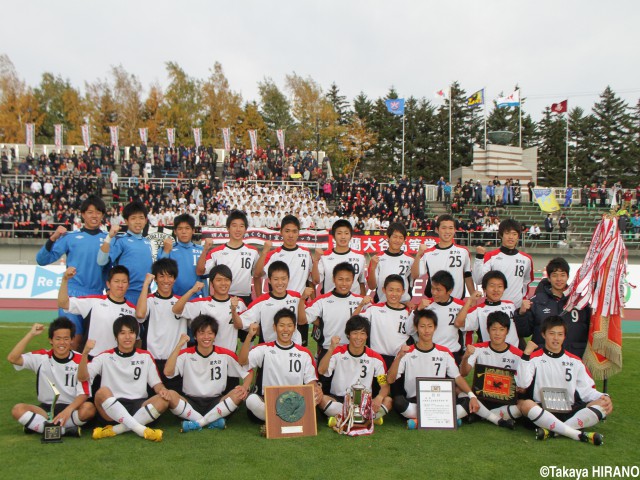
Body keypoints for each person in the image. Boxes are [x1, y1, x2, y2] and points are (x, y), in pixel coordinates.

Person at [516, 316, 613, 445]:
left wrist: (603, 396)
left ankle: (553, 431)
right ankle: (575, 433)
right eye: (552, 334)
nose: (556, 338)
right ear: (543, 335)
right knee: (526, 404)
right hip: (542, 410)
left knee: (603, 404)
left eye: (560, 334)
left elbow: (587, 391)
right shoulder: (534, 358)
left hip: (569, 410)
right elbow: (522, 383)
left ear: (564, 336)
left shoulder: (575, 361)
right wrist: (526, 354)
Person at [78, 315, 173, 442]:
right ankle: (141, 430)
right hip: (111, 409)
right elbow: (82, 377)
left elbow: (157, 384)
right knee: (102, 392)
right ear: (116, 336)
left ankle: (115, 430)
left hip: (139, 406)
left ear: (136, 335)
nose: (127, 337)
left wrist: (163, 390)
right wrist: (85, 353)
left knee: (164, 399)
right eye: (123, 333)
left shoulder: (145, 356)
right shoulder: (104, 356)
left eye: (131, 333)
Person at [35, 195, 108, 349]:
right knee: (71, 343)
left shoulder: (109, 240)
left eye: (98, 212)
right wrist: (53, 237)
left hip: (97, 297)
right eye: (90, 212)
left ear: (102, 215)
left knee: (92, 346)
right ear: (82, 214)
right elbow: (42, 260)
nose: (94, 216)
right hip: (72, 295)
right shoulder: (71, 238)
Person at [387, 310, 480, 429]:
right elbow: (390, 379)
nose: (426, 330)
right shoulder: (406, 352)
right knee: (399, 402)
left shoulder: (444, 352)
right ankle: (447, 419)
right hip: (416, 402)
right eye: (422, 326)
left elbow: (457, 377)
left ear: (435, 328)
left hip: (440, 402)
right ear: (416, 328)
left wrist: (472, 396)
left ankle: (418, 421)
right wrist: (399, 357)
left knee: (467, 401)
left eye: (430, 326)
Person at [8, 319, 96, 436]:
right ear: (51, 340)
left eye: (66, 339)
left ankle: (39, 426)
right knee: (17, 409)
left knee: (89, 409)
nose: (62, 343)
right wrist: (31, 334)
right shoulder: (41, 357)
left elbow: (84, 393)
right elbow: (13, 358)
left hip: (71, 408)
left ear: (72, 340)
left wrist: (68, 410)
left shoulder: (81, 360)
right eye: (58, 339)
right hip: (45, 409)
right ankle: (65, 430)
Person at [164, 314, 250, 432]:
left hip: (216, 401)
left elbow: (248, 372)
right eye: (202, 333)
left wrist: (245, 387)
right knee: (171, 395)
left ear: (215, 336)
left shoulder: (225, 354)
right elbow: (168, 372)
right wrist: (179, 345)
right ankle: (211, 421)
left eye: (210, 333)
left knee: (238, 393)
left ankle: (198, 423)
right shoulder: (185, 354)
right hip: (190, 401)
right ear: (195, 335)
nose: (206, 337)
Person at [239, 309, 322, 423]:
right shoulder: (264, 349)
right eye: (281, 325)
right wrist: (249, 336)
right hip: (268, 401)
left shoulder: (304, 354)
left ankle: (274, 420)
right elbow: (243, 361)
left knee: (315, 397)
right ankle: (285, 419)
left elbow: (311, 382)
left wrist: (317, 391)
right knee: (251, 400)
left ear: (294, 328)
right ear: (274, 327)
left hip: (293, 402)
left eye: (289, 326)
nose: (285, 330)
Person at [318, 315, 391, 426]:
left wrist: (379, 397)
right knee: (322, 399)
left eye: (362, 333)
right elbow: (321, 370)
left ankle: (341, 418)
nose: (358, 337)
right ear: (348, 334)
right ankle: (368, 418)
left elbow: (384, 385)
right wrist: (331, 349)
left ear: (367, 336)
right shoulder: (338, 352)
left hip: (363, 401)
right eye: (355, 333)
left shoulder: (375, 358)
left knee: (388, 401)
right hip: (340, 399)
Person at [299, 262, 364, 381]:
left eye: (348, 280)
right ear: (333, 279)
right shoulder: (322, 301)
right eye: (340, 279)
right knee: (324, 392)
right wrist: (302, 299)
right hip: (329, 351)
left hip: (353, 352)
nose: (344, 283)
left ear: (353, 280)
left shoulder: (361, 301)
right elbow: (302, 320)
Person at [254, 214, 313, 345]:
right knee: (270, 348)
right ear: (281, 232)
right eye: (287, 231)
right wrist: (264, 252)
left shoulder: (306, 253)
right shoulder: (273, 254)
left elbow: (312, 281)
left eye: (294, 231)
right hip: (275, 307)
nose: (290, 235)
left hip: (298, 308)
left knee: (298, 350)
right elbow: (257, 274)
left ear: (299, 233)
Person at [515, 258, 590, 358]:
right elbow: (524, 332)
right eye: (555, 275)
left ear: (568, 277)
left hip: (573, 358)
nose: (559, 279)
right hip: (544, 359)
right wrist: (521, 314)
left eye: (562, 275)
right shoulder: (536, 301)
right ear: (549, 278)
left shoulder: (579, 301)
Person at [459, 311, 522, 426]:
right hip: (482, 398)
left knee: (523, 406)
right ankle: (495, 417)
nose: (497, 333)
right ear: (488, 330)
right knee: (457, 387)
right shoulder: (478, 348)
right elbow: (464, 373)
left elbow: (523, 384)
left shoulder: (518, 354)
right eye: (494, 329)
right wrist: (465, 357)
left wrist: (519, 387)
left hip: (505, 400)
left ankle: (479, 414)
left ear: (507, 331)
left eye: (501, 329)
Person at [58, 265, 136, 358]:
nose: (120, 285)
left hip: (118, 362)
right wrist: (65, 280)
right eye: (116, 281)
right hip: (93, 358)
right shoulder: (93, 302)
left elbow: (136, 340)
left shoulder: (132, 310)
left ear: (128, 285)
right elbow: (64, 303)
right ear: (108, 284)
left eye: (124, 282)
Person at [135, 259, 188, 391]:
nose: (166, 280)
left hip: (176, 359)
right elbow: (140, 315)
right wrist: (146, 284)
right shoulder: (149, 300)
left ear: (175, 279)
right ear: (156, 279)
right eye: (162, 276)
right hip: (154, 358)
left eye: (170, 276)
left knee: (175, 398)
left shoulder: (181, 303)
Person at [172, 265, 246, 352]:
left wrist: (233, 310)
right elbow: (176, 309)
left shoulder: (239, 303)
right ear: (211, 283)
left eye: (226, 280)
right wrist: (192, 291)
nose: (223, 283)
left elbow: (243, 326)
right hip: (205, 356)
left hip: (229, 356)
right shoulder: (202, 304)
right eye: (219, 280)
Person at [197, 210, 258, 307]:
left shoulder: (253, 251)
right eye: (234, 225)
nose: (238, 229)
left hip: (245, 298)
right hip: (222, 298)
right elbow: (200, 272)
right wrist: (205, 250)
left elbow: (258, 275)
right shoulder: (216, 252)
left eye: (241, 226)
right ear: (228, 228)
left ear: (245, 229)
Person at [97, 200, 153, 304]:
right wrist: (109, 237)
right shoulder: (120, 240)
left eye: (141, 218)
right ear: (126, 221)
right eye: (133, 218)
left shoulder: (147, 242)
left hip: (145, 294)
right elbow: (101, 262)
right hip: (125, 294)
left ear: (145, 220)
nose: (137, 221)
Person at [237, 261, 302, 345]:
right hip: (269, 349)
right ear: (269, 280)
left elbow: (305, 318)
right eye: (276, 279)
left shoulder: (297, 297)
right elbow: (240, 323)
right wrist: (233, 309)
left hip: (294, 347)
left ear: (288, 279)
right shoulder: (261, 301)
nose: (280, 283)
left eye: (283, 279)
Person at [356, 275, 414, 370]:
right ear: (384, 290)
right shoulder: (374, 310)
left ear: (403, 292)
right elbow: (353, 321)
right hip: (377, 360)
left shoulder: (409, 312)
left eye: (398, 290)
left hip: (400, 360)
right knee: (380, 384)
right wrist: (361, 305)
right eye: (391, 290)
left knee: (396, 384)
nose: (394, 294)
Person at [473, 218, 533, 309]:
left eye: (514, 234)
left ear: (518, 236)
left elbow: (527, 282)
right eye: (507, 233)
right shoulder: (491, 256)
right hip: (494, 307)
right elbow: (478, 279)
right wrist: (479, 258)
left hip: (516, 308)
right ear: (501, 235)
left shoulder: (526, 259)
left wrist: (522, 299)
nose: (511, 237)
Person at [411, 214, 475, 299]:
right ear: (437, 230)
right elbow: (415, 275)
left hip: (457, 303)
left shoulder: (463, 251)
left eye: (451, 228)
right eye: (444, 228)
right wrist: (418, 255)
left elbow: (467, 275)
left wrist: (473, 296)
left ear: (455, 230)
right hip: (434, 302)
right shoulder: (428, 253)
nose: (447, 231)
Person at [455, 271, 519, 347]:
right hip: (489, 355)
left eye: (500, 286)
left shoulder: (511, 305)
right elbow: (458, 323)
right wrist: (470, 300)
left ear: (504, 288)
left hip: (512, 356)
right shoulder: (478, 310)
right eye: (492, 286)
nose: (496, 290)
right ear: (484, 289)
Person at [416, 270, 466, 364]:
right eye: (432, 288)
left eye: (438, 290)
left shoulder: (460, 306)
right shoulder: (426, 305)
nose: (434, 292)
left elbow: (466, 331)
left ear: (449, 291)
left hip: (452, 354)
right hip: (429, 353)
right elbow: (410, 330)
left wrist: (464, 350)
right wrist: (417, 310)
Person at [157, 213, 206, 299]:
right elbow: (159, 272)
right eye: (180, 229)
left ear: (193, 230)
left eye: (187, 228)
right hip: (172, 298)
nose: (184, 232)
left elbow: (204, 277)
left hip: (195, 299)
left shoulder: (201, 250)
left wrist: (206, 298)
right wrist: (166, 251)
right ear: (175, 231)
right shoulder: (167, 249)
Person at [312, 219, 366, 295]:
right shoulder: (324, 257)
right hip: (330, 302)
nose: (343, 237)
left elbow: (361, 283)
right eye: (339, 233)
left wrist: (363, 304)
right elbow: (316, 281)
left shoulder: (360, 257)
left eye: (346, 233)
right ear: (333, 236)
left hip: (354, 304)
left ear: (351, 236)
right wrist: (316, 260)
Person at [367, 222, 413, 303]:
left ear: (404, 240)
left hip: (403, 305)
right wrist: (373, 268)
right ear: (388, 237)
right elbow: (371, 286)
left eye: (401, 238)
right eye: (394, 237)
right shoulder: (377, 259)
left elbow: (412, 281)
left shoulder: (410, 260)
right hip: (381, 305)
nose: (397, 240)